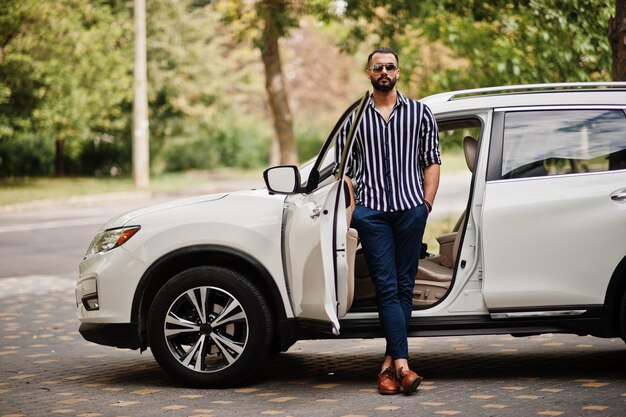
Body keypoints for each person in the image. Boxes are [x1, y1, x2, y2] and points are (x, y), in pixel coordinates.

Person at [336, 47, 441, 395]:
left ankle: (389, 369)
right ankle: (403, 367)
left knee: (403, 285)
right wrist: (354, 210)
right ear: (368, 73)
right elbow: (345, 171)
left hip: (411, 208)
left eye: (390, 66)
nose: (384, 71)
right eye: (378, 67)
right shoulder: (355, 118)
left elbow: (432, 161)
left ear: (398, 71)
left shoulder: (420, 113)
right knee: (387, 286)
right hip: (373, 213)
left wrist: (425, 203)